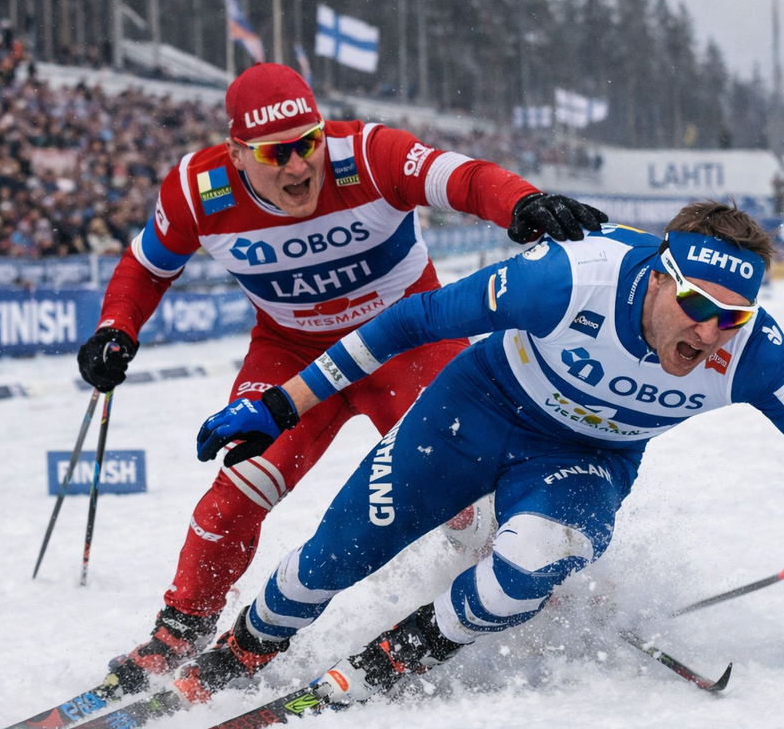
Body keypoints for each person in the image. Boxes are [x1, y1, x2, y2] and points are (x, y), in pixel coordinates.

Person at [175, 200, 784, 706]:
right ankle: (244, 650)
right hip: (473, 409)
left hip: (584, 459)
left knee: (533, 560)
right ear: (657, 277)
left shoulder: (749, 350)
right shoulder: (568, 278)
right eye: (694, 307)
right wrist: (279, 407)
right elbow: (409, 324)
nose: (706, 334)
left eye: (732, 317)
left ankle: (392, 661)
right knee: (332, 560)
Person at [73, 62, 606, 696]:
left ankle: (534, 588)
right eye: (278, 153)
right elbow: (145, 268)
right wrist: (116, 328)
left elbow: (460, 178)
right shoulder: (198, 188)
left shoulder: (368, 152)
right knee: (233, 494)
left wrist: (521, 201)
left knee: (464, 497)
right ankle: (179, 633)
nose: (300, 167)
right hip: (291, 354)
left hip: (404, 343)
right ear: (238, 153)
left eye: (308, 143)